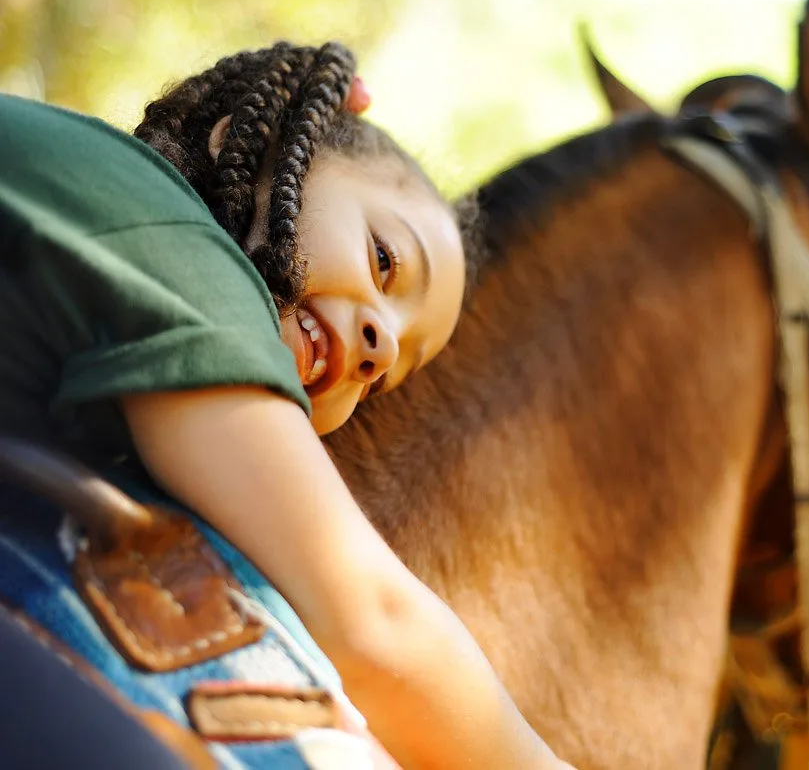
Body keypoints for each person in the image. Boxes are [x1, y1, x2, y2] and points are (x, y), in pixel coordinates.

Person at [0, 40, 570, 770]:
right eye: (385, 261)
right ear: (262, 144)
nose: (379, 349)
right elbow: (373, 623)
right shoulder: (165, 229)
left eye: (381, 382)